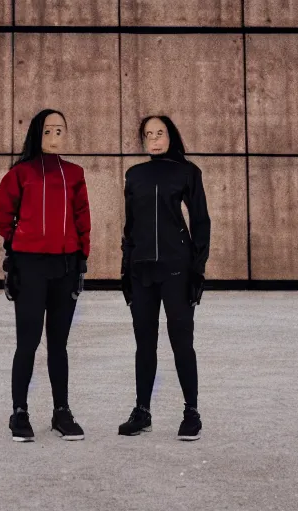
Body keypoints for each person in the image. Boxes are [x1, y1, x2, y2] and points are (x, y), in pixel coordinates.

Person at [0, 109, 91, 442]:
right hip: (30, 266)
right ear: (37, 133)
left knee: (58, 345)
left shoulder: (74, 173)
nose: (54, 137)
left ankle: (61, 412)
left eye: (60, 131)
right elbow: (2, 212)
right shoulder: (21, 173)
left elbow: (82, 217)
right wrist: (16, 243)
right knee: (28, 343)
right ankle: (19, 412)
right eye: (48, 131)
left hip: (65, 267)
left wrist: (82, 258)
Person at [119, 115, 211, 441]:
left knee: (181, 344)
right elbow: (130, 228)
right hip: (142, 273)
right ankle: (142, 411)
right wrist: (124, 270)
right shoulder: (135, 175)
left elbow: (200, 222)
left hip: (177, 270)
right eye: (148, 134)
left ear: (170, 135)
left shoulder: (187, 172)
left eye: (160, 133)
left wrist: (198, 270)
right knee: (144, 345)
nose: (154, 139)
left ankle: (191, 412)